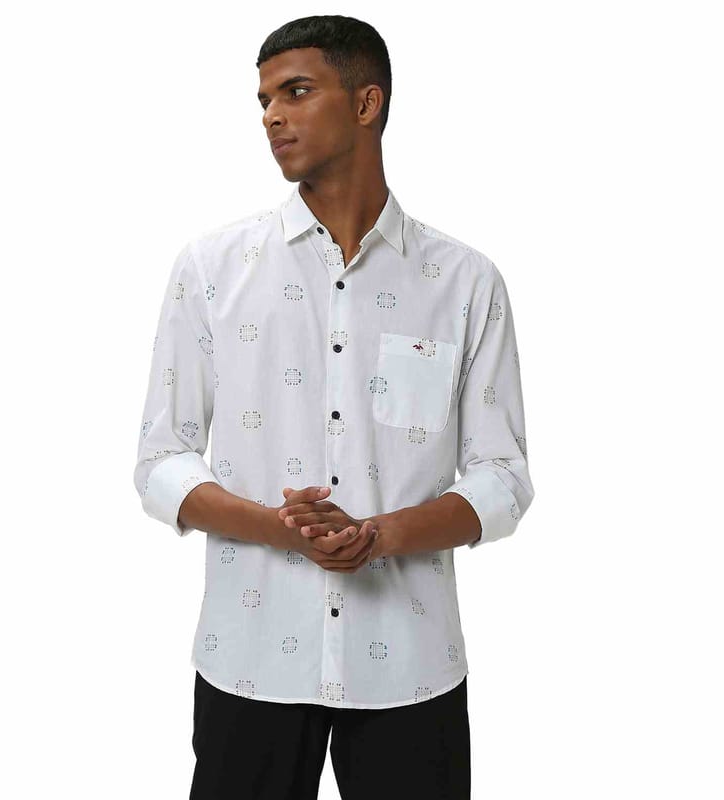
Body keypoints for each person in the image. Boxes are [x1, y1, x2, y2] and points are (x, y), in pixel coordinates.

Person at [133, 14, 535, 800]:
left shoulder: (464, 282)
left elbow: (503, 477)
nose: (271, 117)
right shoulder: (212, 269)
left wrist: (380, 536)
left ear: (366, 103)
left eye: (296, 92)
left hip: (409, 665)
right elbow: (160, 461)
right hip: (250, 657)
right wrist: (277, 528)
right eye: (263, 101)